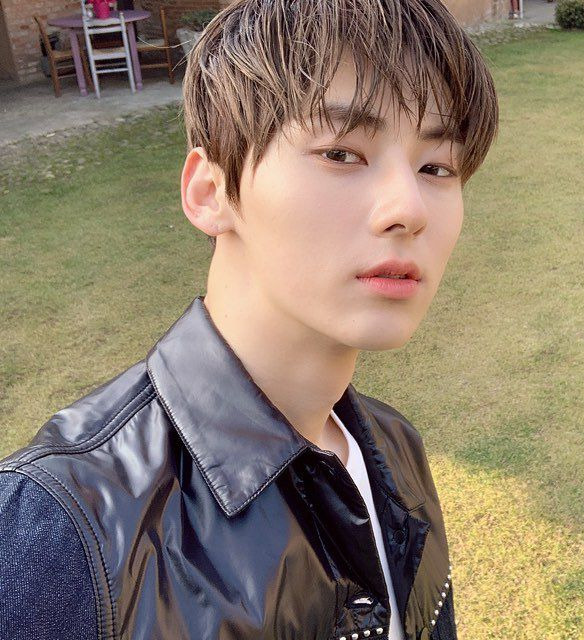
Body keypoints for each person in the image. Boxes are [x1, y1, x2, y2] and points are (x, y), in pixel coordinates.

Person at [0, 0, 498, 638]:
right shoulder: (64, 532)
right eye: (341, 153)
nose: (409, 208)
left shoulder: (396, 450)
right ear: (210, 192)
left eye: (437, 167)